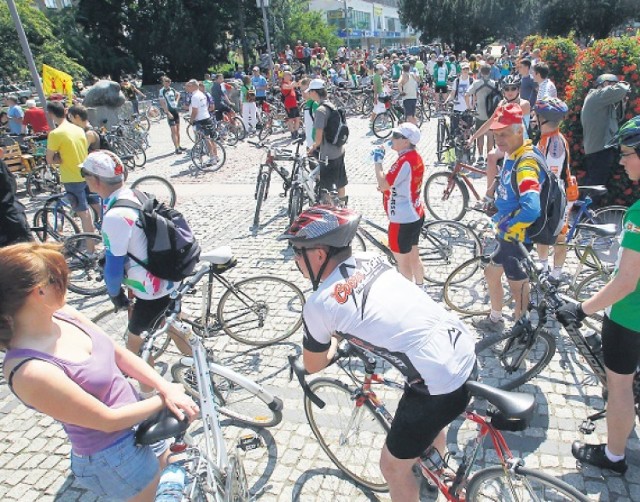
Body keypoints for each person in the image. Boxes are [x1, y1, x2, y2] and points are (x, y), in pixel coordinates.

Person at [278, 205, 477, 501]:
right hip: (463, 346)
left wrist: (333, 342)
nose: (295, 259)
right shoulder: (372, 258)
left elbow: (314, 364)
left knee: (392, 468)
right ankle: (439, 473)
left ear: (319, 254)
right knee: (433, 419)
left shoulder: (318, 305)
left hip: (438, 382)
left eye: (297, 251)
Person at [0, 242, 198, 501]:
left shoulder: (62, 314)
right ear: (40, 291)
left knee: (171, 483)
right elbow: (107, 420)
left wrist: (164, 386)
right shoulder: (30, 371)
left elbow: (118, 353)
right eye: (59, 279)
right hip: (113, 457)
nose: (66, 284)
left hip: (139, 416)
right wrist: (164, 398)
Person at [557, 115, 640, 476]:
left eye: (626, 153)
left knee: (619, 386)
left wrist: (582, 308)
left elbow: (626, 282)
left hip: (628, 317)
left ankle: (614, 455)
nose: (621, 162)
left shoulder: (638, 213)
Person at [80, 151, 192, 390]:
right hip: (169, 278)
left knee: (135, 347)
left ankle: (151, 397)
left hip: (149, 290)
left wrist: (115, 295)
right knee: (173, 327)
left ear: (96, 181)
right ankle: (201, 373)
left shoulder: (115, 216)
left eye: (85, 175)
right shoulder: (136, 194)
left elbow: (113, 267)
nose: (84, 180)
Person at [472, 103, 543, 334]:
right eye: (495, 134)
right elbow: (504, 179)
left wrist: (508, 224)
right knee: (491, 273)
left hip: (517, 238)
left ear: (519, 131)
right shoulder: (515, 153)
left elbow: (532, 209)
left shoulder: (526, 164)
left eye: (504, 134)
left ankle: (522, 329)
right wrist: (491, 195)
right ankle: (496, 318)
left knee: (517, 286)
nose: (498, 139)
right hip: (507, 236)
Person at [373, 123, 426, 286]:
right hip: (415, 213)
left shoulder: (404, 160)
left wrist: (377, 162)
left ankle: (408, 297)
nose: (392, 138)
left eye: (396, 136)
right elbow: (400, 183)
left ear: (406, 141)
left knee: (403, 263)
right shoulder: (414, 156)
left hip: (401, 219)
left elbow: (384, 184)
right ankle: (421, 287)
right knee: (414, 257)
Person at [468, 74, 531, 198]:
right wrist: (473, 137)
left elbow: (508, 116)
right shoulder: (502, 103)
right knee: (491, 156)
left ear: (518, 89)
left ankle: (490, 194)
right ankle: (490, 196)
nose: (510, 92)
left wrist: (500, 109)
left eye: (513, 88)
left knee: (495, 156)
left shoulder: (524, 104)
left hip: (520, 143)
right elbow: (490, 122)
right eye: (506, 89)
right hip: (506, 143)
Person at [533, 97, 574, 280]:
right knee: (542, 231)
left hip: (557, 195)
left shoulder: (554, 143)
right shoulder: (545, 138)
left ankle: (556, 274)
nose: (534, 118)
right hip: (549, 193)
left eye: (537, 115)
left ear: (545, 119)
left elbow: (551, 175)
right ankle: (543, 267)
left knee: (558, 235)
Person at [45, 101, 96, 235]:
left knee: (84, 214)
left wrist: (57, 158)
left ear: (50, 114)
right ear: (65, 111)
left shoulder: (55, 134)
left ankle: (90, 250)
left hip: (72, 177)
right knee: (96, 208)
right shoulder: (78, 129)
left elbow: (49, 159)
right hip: (87, 172)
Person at [580, 74, 630, 195]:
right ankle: (584, 212)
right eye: (613, 84)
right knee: (596, 186)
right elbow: (622, 89)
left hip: (603, 148)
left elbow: (616, 120)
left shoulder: (602, 101)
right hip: (599, 149)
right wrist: (623, 84)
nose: (614, 87)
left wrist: (622, 104)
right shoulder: (596, 96)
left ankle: (585, 210)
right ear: (604, 84)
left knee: (596, 184)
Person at [307, 79, 348, 199]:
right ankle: (342, 205)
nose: (309, 94)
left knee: (327, 188)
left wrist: (313, 147)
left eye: (310, 92)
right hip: (339, 150)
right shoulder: (331, 105)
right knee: (340, 182)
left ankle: (330, 211)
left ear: (315, 92)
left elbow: (318, 138)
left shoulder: (320, 110)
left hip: (328, 155)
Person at [466, 64, 497, 165]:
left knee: (480, 135)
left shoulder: (476, 84)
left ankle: (480, 156)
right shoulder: (494, 84)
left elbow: (466, 94)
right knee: (490, 135)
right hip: (491, 114)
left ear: (480, 72)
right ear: (490, 72)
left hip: (480, 113)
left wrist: (470, 106)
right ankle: (489, 156)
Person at [0, 153, 32, 247]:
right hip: (12, 212)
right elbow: (11, 184)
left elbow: (8, 186)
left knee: (27, 252)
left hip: (9, 218)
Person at [185, 79, 219, 166]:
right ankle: (216, 156)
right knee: (211, 138)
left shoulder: (195, 97)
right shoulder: (201, 94)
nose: (187, 88)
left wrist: (191, 121)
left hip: (200, 120)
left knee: (206, 139)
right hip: (207, 117)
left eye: (188, 86)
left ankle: (212, 158)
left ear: (193, 86)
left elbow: (195, 111)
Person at [158, 77, 185, 155]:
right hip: (169, 112)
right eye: (165, 81)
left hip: (175, 111)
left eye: (169, 81)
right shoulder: (162, 91)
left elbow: (178, 94)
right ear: (163, 82)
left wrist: (176, 101)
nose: (167, 83)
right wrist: (167, 112)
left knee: (178, 130)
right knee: (173, 130)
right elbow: (162, 103)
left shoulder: (172, 89)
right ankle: (176, 148)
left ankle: (179, 145)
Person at [445, 62, 473, 137]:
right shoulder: (457, 81)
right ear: (461, 70)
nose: (465, 70)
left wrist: (474, 104)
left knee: (467, 129)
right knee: (455, 129)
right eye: (464, 69)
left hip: (468, 108)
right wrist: (447, 100)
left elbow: (475, 94)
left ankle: (467, 146)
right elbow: (452, 93)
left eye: (467, 69)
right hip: (457, 107)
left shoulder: (471, 81)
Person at [281, 71, 300, 140]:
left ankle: (296, 131)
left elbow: (297, 85)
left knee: (297, 118)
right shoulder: (283, 84)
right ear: (285, 76)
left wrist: (298, 80)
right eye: (289, 75)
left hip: (294, 103)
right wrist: (294, 82)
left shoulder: (290, 82)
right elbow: (289, 87)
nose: (290, 76)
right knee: (291, 119)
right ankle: (293, 133)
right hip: (289, 104)